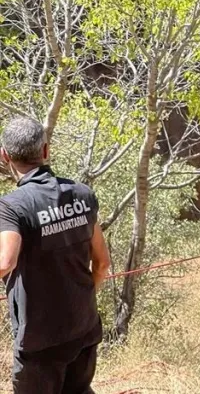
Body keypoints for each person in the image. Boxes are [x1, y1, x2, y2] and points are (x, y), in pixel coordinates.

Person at [0, 117, 111, 393]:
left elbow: (5, 262)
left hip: (40, 343)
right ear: (46, 151)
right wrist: (83, 297)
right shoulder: (83, 195)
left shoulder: (12, 207)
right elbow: (103, 262)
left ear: (5, 156)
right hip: (84, 329)